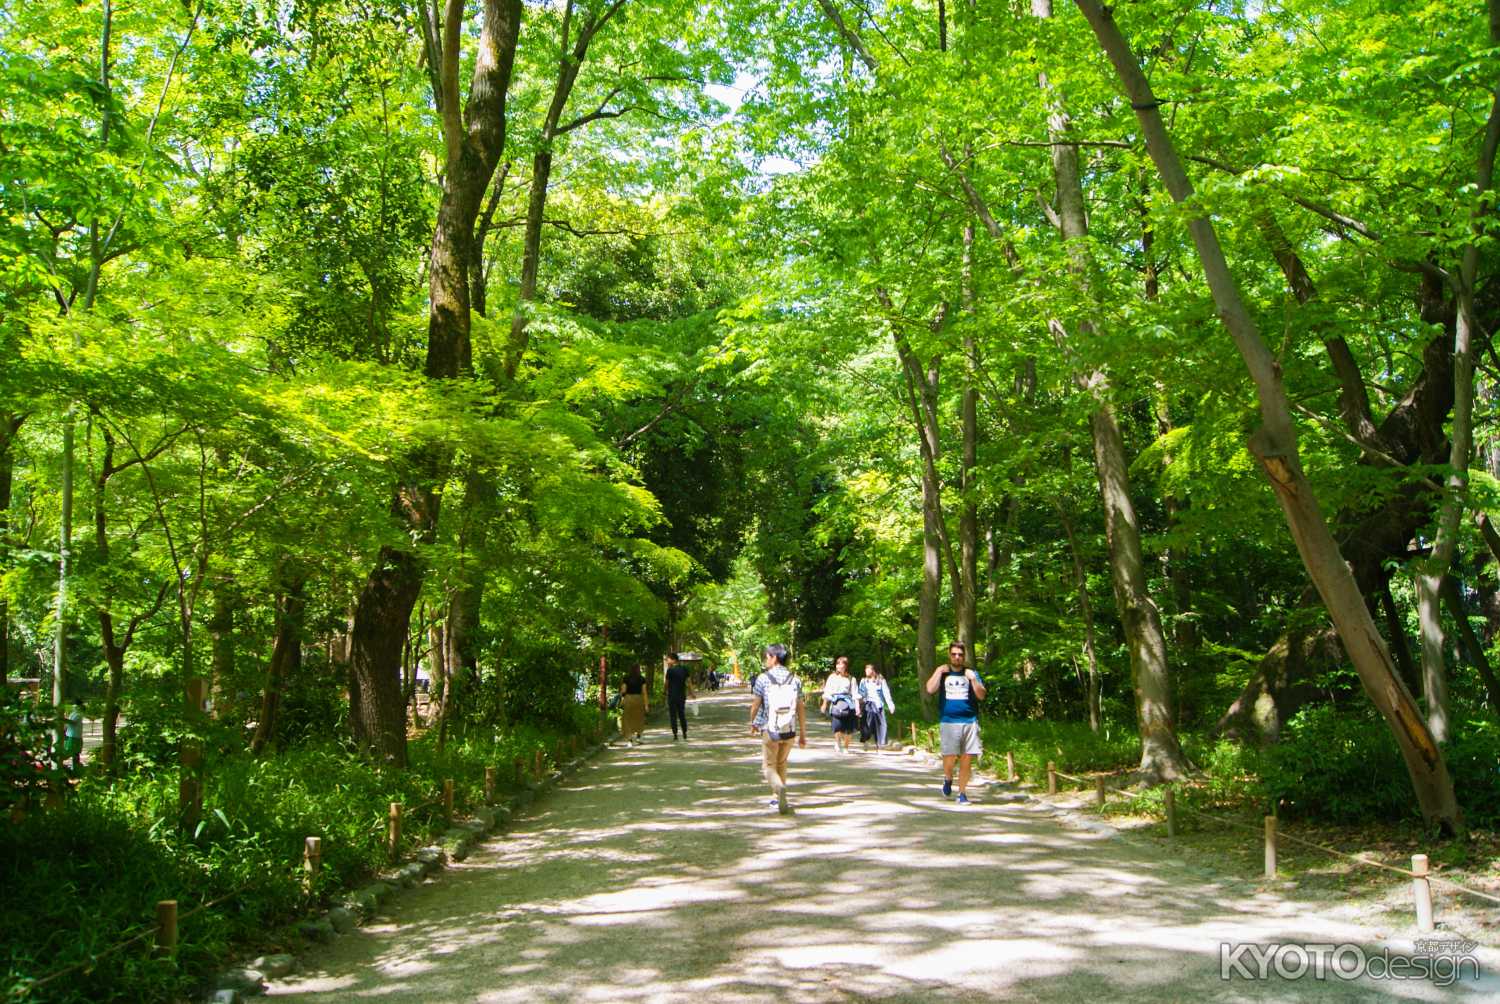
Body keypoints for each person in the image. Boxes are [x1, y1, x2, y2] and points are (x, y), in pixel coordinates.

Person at [747, 643, 806, 814]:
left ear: (774, 657)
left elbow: (756, 705)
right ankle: (776, 798)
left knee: (768, 766)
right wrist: (803, 733)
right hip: (789, 729)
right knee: (782, 763)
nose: (766, 660)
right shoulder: (795, 679)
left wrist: (753, 723)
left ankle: (779, 789)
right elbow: (800, 707)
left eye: (767, 656)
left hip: (770, 729)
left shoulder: (763, 678)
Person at [925, 641, 986, 804]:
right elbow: (930, 689)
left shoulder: (971, 673)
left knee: (966, 758)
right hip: (948, 722)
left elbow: (981, 695)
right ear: (949, 655)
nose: (957, 657)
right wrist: (938, 671)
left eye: (960, 654)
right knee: (950, 758)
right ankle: (948, 777)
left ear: (964, 656)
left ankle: (962, 793)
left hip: (970, 721)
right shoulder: (943, 672)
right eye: (954, 654)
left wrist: (973, 680)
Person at [820, 655, 861, 753]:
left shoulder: (852, 679)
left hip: (848, 704)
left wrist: (857, 707)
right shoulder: (832, 677)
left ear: (846, 666)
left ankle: (846, 747)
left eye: (841, 664)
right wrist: (824, 704)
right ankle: (837, 742)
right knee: (837, 726)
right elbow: (827, 691)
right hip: (836, 703)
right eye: (837, 664)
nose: (839, 666)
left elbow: (855, 694)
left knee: (849, 728)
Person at [858, 664, 895, 751]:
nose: (866, 671)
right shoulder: (864, 681)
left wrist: (891, 705)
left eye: (868, 669)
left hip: (878, 706)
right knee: (866, 725)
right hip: (867, 705)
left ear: (873, 671)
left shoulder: (881, 681)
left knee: (880, 726)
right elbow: (860, 694)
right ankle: (866, 741)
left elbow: (886, 693)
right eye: (865, 669)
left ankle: (880, 745)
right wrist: (858, 705)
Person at [664, 653, 696, 741]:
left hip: (672, 696)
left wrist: (664, 692)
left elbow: (666, 683)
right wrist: (692, 693)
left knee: (673, 715)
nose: (667, 661)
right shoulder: (684, 669)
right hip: (681, 695)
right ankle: (684, 732)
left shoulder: (670, 670)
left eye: (668, 659)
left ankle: (675, 734)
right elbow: (689, 682)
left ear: (673, 660)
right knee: (681, 714)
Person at [620, 665, 648, 744]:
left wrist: (622, 695)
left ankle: (629, 740)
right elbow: (644, 692)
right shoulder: (642, 679)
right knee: (639, 718)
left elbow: (623, 690)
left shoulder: (626, 678)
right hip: (639, 699)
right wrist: (646, 705)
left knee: (627, 719)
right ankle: (639, 737)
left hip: (628, 699)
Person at [63, 700, 84, 771]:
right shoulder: (72, 714)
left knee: (75, 753)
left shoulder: (79, 714)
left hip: (76, 736)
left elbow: (72, 722)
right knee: (69, 751)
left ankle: (76, 768)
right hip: (70, 735)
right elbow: (68, 724)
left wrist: (63, 719)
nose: (74, 707)